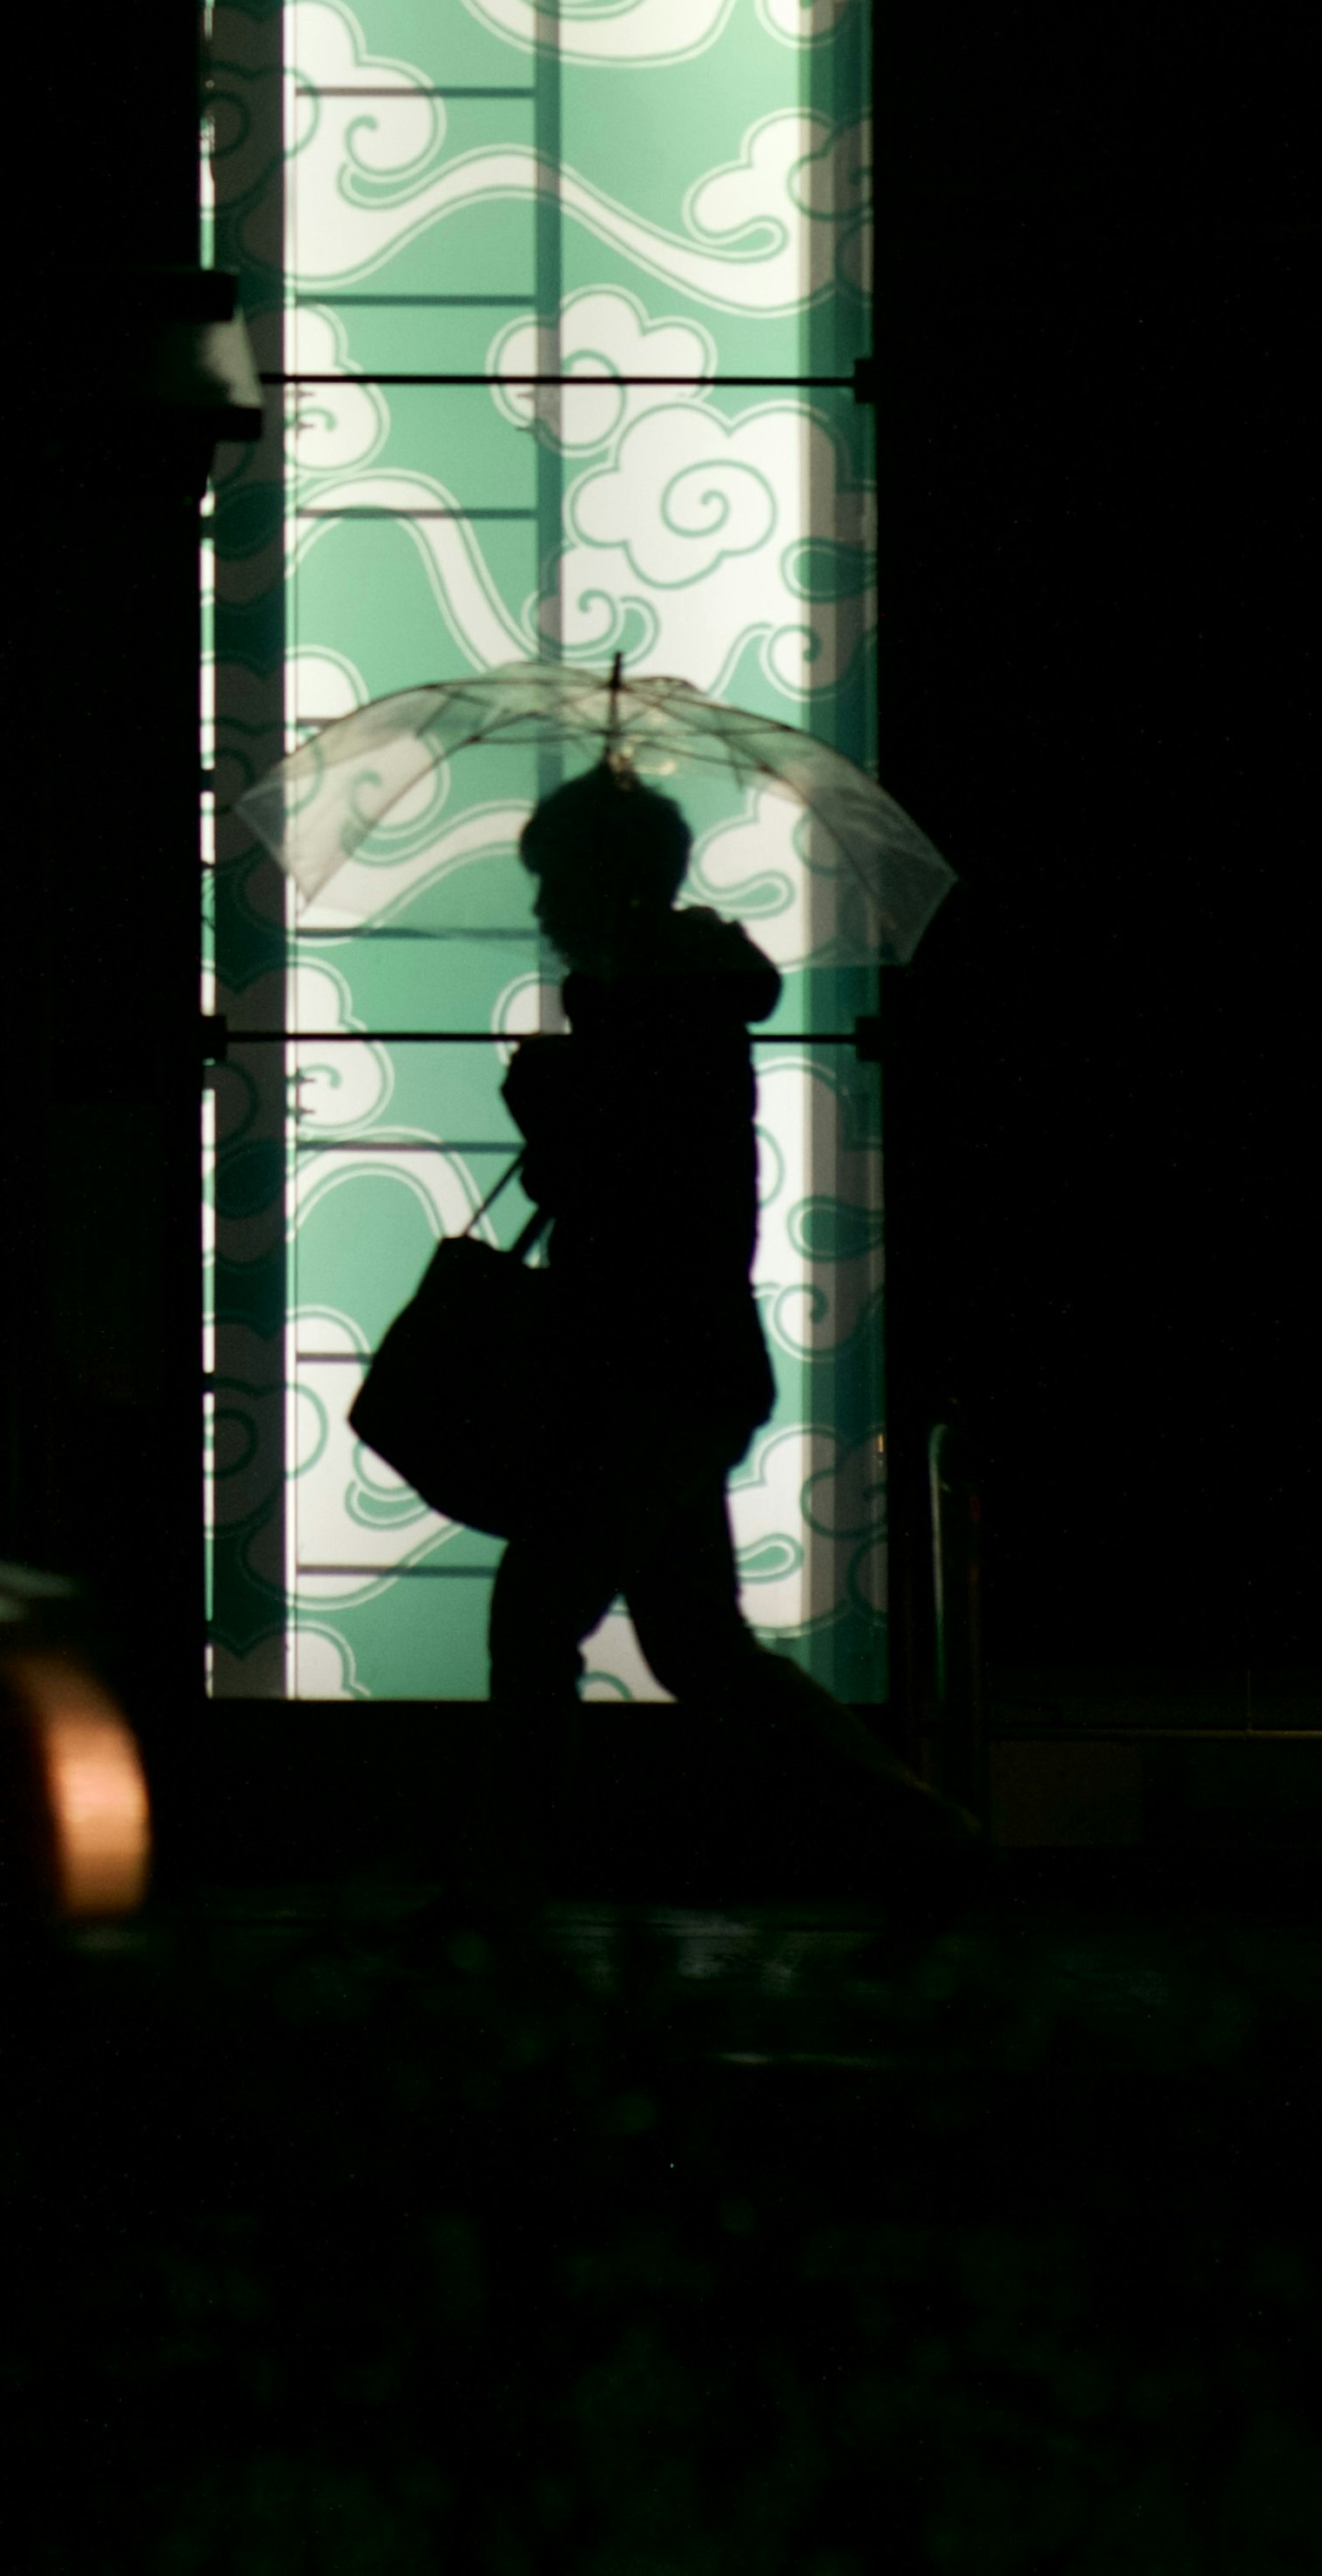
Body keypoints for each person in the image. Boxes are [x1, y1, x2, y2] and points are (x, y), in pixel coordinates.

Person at [488, 761, 973, 1873]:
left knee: (539, 1612)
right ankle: (923, 1838)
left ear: (599, 883)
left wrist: (547, 1105)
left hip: (647, 1362)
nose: (540, 907)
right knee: (698, 1645)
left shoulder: (646, 1001)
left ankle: (500, 1884)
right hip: (691, 1359)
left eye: (553, 878)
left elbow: (616, 1191)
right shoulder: (689, 989)